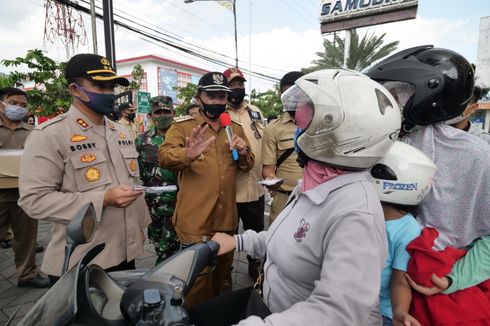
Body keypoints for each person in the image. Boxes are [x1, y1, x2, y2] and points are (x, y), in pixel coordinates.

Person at [197, 69, 402, 325]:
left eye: (304, 125)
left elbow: (338, 312)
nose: (297, 131)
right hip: (263, 298)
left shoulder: (355, 212)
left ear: (341, 136)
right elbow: (286, 239)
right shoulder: (315, 182)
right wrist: (238, 241)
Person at [365, 45, 490, 307]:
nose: (398, 102)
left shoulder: (481, 157)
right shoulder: (395, 143)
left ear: (429, 93)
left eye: (403, 94)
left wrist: (454, 278)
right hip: (381, 284)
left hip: (439, 289)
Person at [18, 54, 151, 285]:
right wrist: (103, 200)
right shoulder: (50, 135)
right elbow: (34, 200)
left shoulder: (120, 131)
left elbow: (132, 183)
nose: (110, 93)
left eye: (112, 86)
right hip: (81, 260)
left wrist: (139, 227)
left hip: (125, 253)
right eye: (100, 86)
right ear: (75, 89)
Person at [158, 71, 254, 308]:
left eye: (222, 96)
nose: (218, 101)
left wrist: (243, 153)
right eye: (211, 96)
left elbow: (248, 165)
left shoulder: (235, 127)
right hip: (195, 220)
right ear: (199, 97)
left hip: (226, 220)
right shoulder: (183, 127)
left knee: (222, 278)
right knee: (197, 282)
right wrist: (186, 154)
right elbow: (164, 157)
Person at [368, 141, 437, 326]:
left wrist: (400, 311)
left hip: (381, 313)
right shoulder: (357, 213)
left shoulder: (407, 229)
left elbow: (401, 280)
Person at [0, 87, 49, 288]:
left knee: (26, 237)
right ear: (1, 104)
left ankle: (27, 275)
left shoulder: (33, 132)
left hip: (25, 194)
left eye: (22, 105)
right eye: (13, 103)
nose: (18, 108)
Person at [223, 67, 265, 279]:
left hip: (256, 188)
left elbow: (264, 143)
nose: (237, 88)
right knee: (227, 233)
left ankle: (255, 266)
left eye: (240, 84)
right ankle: (224, 270)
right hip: (230, 190)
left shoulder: (255, 111)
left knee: (255, 232)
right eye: (232, 84)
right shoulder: (220, 114)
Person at [135, 96, 179, 265]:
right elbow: (137, 172)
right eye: (158, 112)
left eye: (166, 112)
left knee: (170, 246)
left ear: (173, 113)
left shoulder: (182, 137)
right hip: (153, 205)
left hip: (178, 202)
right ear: (150, 115)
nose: (162, 115)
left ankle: (165, 275)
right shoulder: (142, 140)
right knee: (157, 241)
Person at [261, 71, 304, 223]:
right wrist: (271, 180)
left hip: (314, 200)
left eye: (297, 94)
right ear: (281, 95)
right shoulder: (273, 129)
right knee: (277, 244)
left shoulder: (320, 125)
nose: (293, 99)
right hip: (283, 199)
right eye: (287, 95)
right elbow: (267, 168)